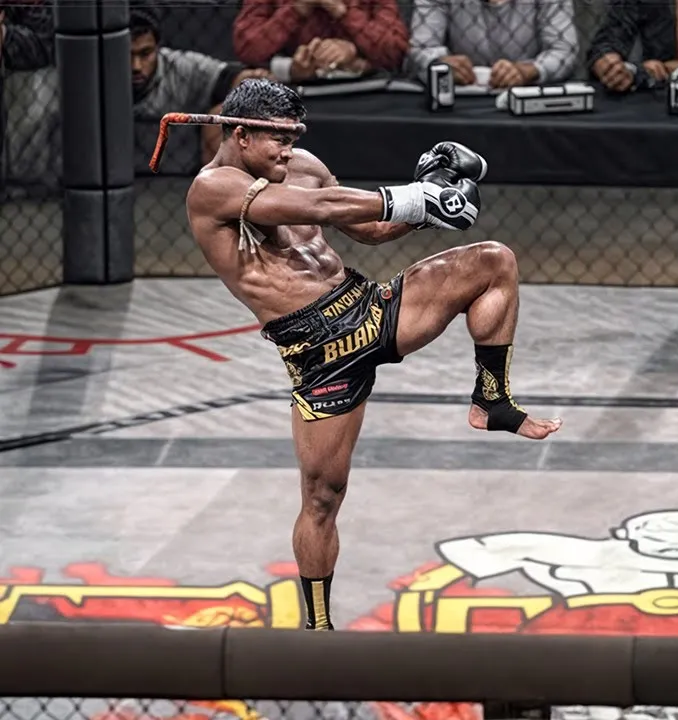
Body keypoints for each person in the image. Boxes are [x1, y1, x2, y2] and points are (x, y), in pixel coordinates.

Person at [183, 77, 562, 631]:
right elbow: (321, 206)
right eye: (278, 140)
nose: (288, 151)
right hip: (319, 352)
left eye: (294, 137)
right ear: (241, 135)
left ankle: (492, 401)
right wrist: (419, 196)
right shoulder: (212, 188)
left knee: (494, 261)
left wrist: (429, 196)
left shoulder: (301, 165)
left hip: (369, 307)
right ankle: (318, 626)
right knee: (322, 497)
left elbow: (370, 227)